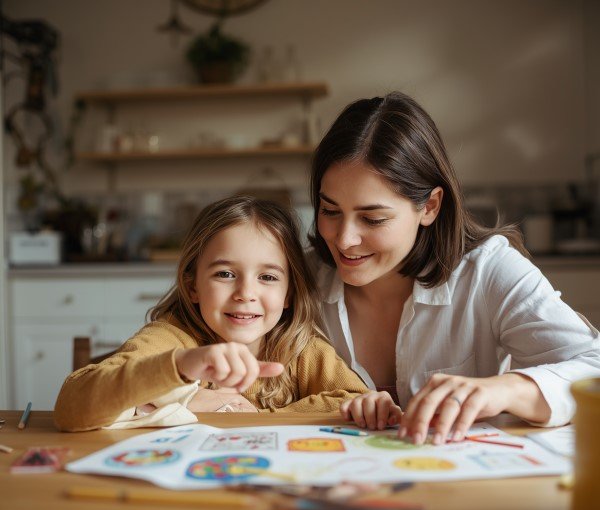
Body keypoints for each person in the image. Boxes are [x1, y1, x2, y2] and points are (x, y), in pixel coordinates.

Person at [308, 91, 600, 445]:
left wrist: (503, 390)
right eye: (330, 211)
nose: (344, 239)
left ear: (429, 207)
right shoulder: (296, 275)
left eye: (373, 218)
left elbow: (592, 368)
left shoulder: (488, 270)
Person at [54, 196, 368, 432]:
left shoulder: (301, 348)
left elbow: (357, 401)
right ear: (192, 286)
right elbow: (70, 408)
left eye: (268, 277)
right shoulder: (170, 338)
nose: (246, 293)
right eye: (225, 274)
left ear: (289, 294)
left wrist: (254, 418)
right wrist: (180, 366)